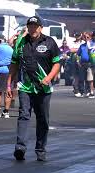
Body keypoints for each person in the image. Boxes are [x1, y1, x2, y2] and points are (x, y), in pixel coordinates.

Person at [6, 16, 60, 161]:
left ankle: (41, 149)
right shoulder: (21, 43)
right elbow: (14, 64)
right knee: (24, 115)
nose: (32, 29)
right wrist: (9, 83)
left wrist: (48, 78)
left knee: (43, 119)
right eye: (30, 26)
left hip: (44, 88)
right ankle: (20, 148)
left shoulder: (49, 42)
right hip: (25, 86)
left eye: (35, 26)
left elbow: (57, 63)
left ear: (40, 28)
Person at [76, 32, 91, 97]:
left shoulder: (92, 46)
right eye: (85, 37)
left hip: (89, 64)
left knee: (88, 78)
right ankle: (81, 92)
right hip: (82, 63)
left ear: (90, 38)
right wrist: (78, 61)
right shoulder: (82, 46)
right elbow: (78, 54)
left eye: (87, 37)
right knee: (81, 78)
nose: (86, 38)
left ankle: (88, 91)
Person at [68, 32, 83, 97]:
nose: (77, 37)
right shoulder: (72, 42)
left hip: (81, 61)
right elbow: (71, 50)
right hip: (73, 61)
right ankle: (76, 89)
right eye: (76, 36)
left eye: (78, 35)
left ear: (81, 36)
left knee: (81, 75)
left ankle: (81, 90)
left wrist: (76, 50)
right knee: (75, 76)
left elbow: (84, 49)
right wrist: (79, 50)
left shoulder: (83, 42)